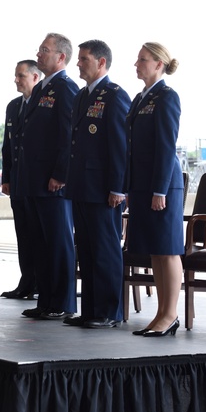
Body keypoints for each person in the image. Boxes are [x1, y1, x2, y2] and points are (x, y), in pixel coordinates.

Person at [63, 40, 131, 329]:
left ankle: (108, 312)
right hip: (81, 185)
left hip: (103, 188)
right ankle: (91, 309)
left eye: (84, 59)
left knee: (104, 249)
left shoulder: (115, 96)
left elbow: (120, 146)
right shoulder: (81, 97)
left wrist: (118, 187)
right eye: (78, 59)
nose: (78, 63)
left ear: (101, 63)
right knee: (87, 250)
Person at [17, 33, 79, 320]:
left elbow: (67, 136)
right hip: (33, 180)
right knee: (40, 243)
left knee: (58, 243)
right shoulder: (43, 88)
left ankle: (63, 302)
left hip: (52, 182)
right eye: (40, 50)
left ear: (60, 57)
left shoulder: (66, 88)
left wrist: (60, 174)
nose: (39, 54)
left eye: (45, 50)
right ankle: (47, 300)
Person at [125, 42, 184, 338]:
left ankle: (170, 314)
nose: (137, 64)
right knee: (155, 252)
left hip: (162, 185)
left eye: (142, 60)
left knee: (168, 250)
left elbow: (165, 145)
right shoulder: (140, 99)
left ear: (158, 64)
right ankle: (161, 313)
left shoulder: (166, 97)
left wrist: (160, 190)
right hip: (142, 184)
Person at [0, 60, 42, 300]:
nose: (16, 80)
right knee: (23, 235)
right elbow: (8, 145)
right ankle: (26, 281)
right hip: (17, 181)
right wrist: (6, 177)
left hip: (35, 182)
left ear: (35, 77)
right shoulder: (13, 106)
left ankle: (39, 283)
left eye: (21, 76)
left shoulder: (42, 104)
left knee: (38, 236)